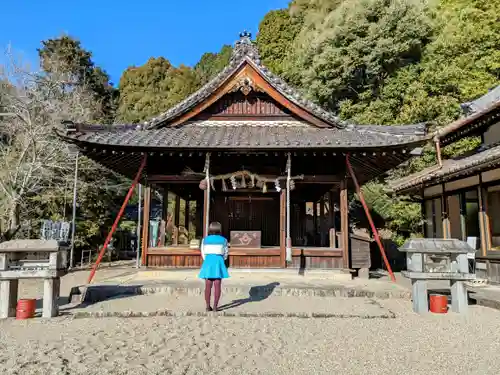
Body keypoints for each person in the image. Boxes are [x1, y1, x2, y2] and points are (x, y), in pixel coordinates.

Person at [198, 221, 229, 312]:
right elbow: (225, 253)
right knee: (217, 285)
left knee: (208, 285)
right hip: (218, 261)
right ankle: (215, 306)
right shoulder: (224, 240)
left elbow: (203, 252)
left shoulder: (205, 240)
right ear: (219, 229)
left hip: (208, 261)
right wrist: (221, 260)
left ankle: (208, 306)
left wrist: (206, 260)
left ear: (210, 229)